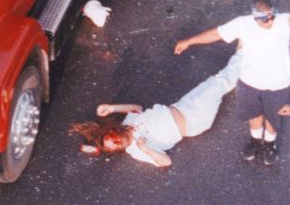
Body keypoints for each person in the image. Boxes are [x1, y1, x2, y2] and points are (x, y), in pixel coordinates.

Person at [174, 0, 290, 166]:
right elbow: (216, 34)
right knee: (253, 114)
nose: (269, 21)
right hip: (249, 82)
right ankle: (255, 140)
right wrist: (188, 42)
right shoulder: (242, 24)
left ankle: (269, 144)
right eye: (263, 18)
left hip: (278, 85)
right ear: (254, 17)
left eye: (271, 16)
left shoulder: (282, 21)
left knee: (273, 117)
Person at [69, 52, 242, 167]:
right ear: (117, 150)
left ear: (113, 131)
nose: (117, 141)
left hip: (183, 104)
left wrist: (112, 108)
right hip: (194, 120)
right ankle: (249, 53)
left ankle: (244, 51)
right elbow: (165, 162)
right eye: (115, 145)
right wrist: (146, 149)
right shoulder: (136, 151)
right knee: (220, 82)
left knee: (219, 81)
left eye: (112, 137)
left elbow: (136, 108)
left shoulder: (128, 123)